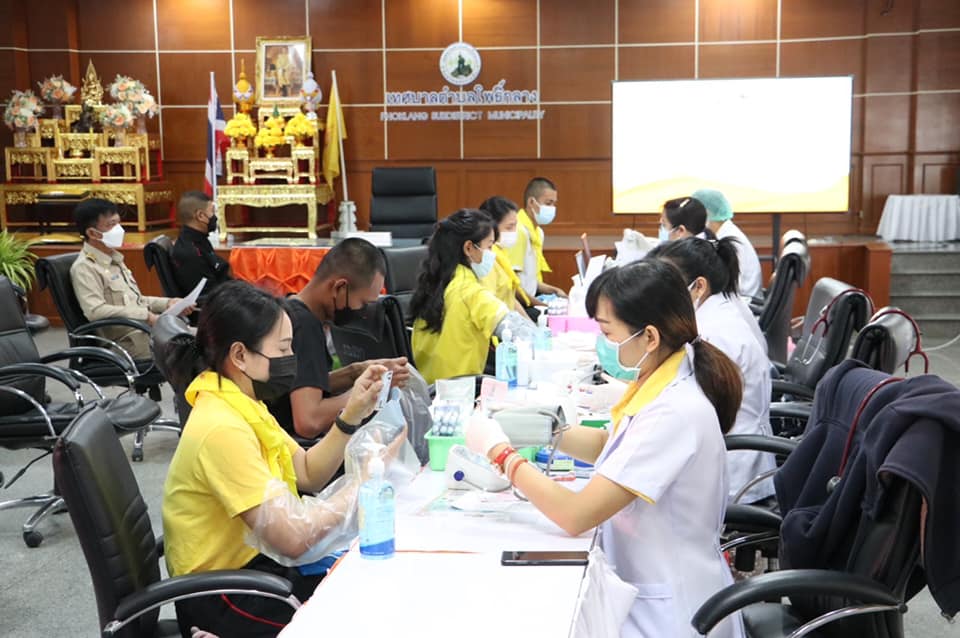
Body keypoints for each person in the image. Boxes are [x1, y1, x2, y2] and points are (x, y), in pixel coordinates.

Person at [465, 259, 745, 638]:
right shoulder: (663, 373)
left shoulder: (673, 411)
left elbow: (576, 515)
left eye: (607, 332)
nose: (602, 343)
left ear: (649, 337)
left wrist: (501, 453)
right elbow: (609, 445)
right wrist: (541, 429)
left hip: (672, 613)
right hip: (650, 582)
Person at [162, 280, 390, 637]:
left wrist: (352, 414)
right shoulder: (221, 426)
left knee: (363, 591)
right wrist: (365, 486)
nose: (291, 358)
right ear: (240, 355)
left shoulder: (242, 402)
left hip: (256, 570)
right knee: (351, 619)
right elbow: (293, 537)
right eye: (283, 348)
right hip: (222, 595)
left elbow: (307, 472)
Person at [648, 237, 775, 502]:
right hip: (722, 449)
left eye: (667, 287)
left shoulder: (714, 334)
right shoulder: (715, 313)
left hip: (733, 468)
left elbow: (689, 410)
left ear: (699, 286)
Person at [266, 238, 409, 439]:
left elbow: (302, 384)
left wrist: (356, 372)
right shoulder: (306, 327)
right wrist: (373, 390)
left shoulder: (291, 309)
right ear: (339, 287)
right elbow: (309, 421)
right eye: (363, 303)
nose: (363, 313)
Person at [410, 209, 534, 384]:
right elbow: (515, 329)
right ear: (469, 248)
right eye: (489, 246)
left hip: (431, 386)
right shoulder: (469, 291)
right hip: (461, 389)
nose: (492, 253)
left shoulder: (436, 280)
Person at [70, 198, 191, 360]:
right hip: (124, 343)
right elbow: (96, 311)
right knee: (196, 346)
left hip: (145, 332)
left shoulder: (114, 258)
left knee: (207, 338)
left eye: (118, 223)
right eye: (111, 225)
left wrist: (168, 303)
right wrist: (146, 316)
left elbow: (136, 300)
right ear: (92, 233)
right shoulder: (85, 267)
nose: (118, 230)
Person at [693, 189, 763, 298]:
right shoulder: (724, 233)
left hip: (742, 300)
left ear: (706, 213)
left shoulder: (730, 241)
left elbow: (727, 286)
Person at [505, 177, 567, 300]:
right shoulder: (518, 231)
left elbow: (530, 281)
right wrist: (540, 305)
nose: (552, 208)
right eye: (548, 203)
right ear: (531, 202)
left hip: (532, 298)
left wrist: (555, 291)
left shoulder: (538, 232)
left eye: (554, 203)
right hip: (520, 303)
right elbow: (512, 286)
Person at [477, 195, 533, 314]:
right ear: (492, 227)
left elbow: (510, 297)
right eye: (509, 227)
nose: (514, 232)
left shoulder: (502, 252)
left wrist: (528, 323)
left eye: (515, 226)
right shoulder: (487, 258)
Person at [171, 191, 231, 298]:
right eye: (212, 211)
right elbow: (208, 295)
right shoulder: (190, 252)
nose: (215, 217)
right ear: (200, 216)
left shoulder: (199, 240)